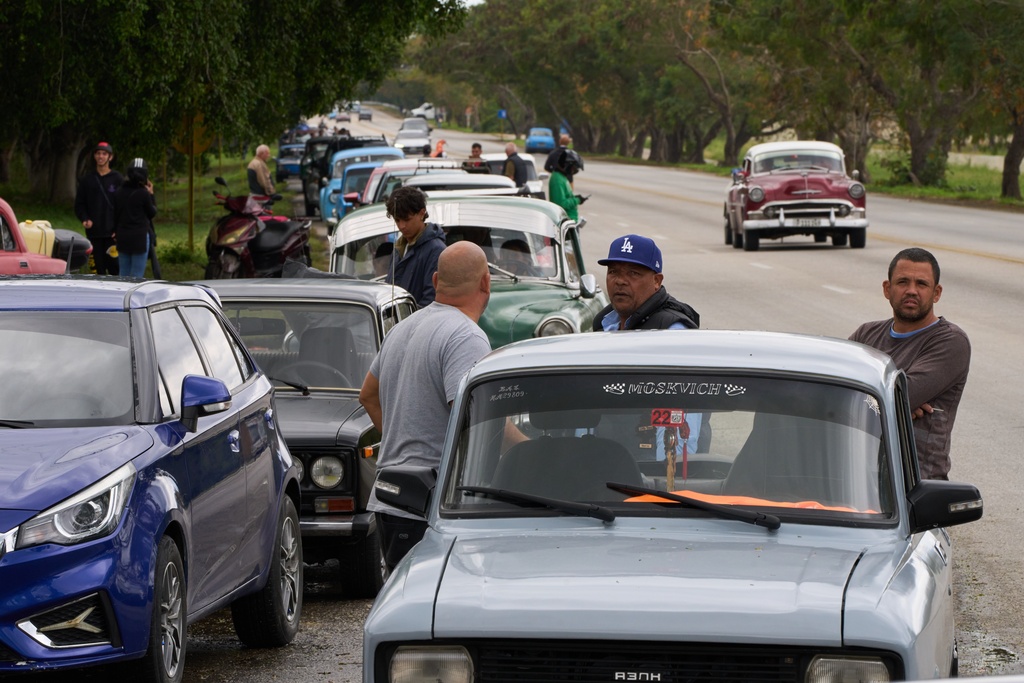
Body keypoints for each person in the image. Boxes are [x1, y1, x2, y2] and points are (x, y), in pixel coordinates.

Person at [359, 241, 493, 571]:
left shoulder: (402, 329)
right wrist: (530, 448)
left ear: (435, 281)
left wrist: (403, 440)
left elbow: (368, 395)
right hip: (433, 506)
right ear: (486, 282)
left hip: (391, 498)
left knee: (405, 595)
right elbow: (477, 420)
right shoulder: (467, 337)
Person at [849, 247, 971, 480]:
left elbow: (903, 397)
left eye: (922, 284)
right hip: (859, 479)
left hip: (915, 484)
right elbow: (835, 392)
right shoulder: (866, 335)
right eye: (903, 282)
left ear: (936, 293)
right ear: (887, 289)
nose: (912, 290)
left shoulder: (950, 341)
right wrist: (890, 402)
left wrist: (893, 400)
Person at [593, 234, 704, 457]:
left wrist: (663, 473)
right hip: (604, 461)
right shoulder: (604, 324)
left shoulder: (672, 334)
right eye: (613, 272)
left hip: (649, 468)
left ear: (656, 281)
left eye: (633, 273)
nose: (620, 281)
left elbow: (679, 424)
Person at [383, 185, 447, 307]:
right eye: (397, 220)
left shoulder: (436, 250)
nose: (401, 226)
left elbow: (431, 301)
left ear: (422, 213)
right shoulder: (398, 248)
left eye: (407, 220)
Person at [74, 141, 123, 275]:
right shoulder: (87, 180)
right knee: (97, 271)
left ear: (110, 157)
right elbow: (79, 204)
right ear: (94, 156)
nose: (100, 156)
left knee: (115, 268)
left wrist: (118, 229)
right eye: (98, 153)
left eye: (104, 154)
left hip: (112, 235)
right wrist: (85, 218)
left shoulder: (118, 179)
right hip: (94, 234)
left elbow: (123, 206)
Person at [112, 158, 157, 279]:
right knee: (137, 276)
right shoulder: (144, 194)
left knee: (123, 273)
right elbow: (152, 213)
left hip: (123, 236)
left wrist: (115, 231)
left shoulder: (119, 192)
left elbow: (115, 214)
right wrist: (151, 194)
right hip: (139, 237)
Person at [547, 149, 586, 221]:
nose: (573, 171)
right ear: (567, 165)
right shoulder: (558, 180)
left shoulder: (562, 177)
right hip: (565, 221)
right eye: (573, 168)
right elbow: (561, 204)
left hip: (570, 219)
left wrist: (574, 198)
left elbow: (565, 197)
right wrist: (577, 200)